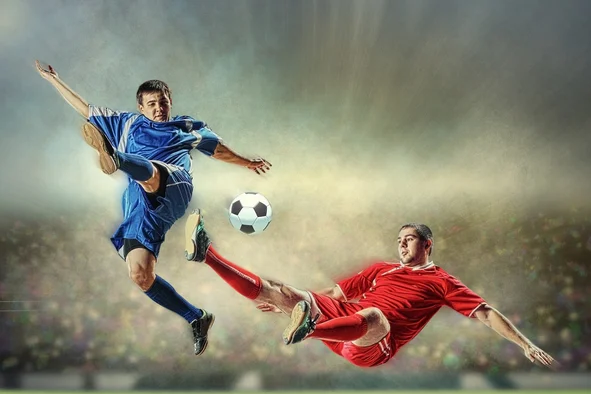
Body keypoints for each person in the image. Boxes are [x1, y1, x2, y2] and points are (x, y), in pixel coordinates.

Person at [35, 61, 271, 356]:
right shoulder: (127, 123)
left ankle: (116, 159)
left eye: (163, 102)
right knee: (140, 274)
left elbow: (218, 149)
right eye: (152, 104)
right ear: (141, 107)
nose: (159, 108)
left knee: (151, 173)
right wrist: (53, 79)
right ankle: (196, 317)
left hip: (173, 183)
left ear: (170, 103)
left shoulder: (187, 126)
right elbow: (85, 109)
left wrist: (248, 162)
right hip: (139, 205)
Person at [184, 210, 556, 368]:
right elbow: (333, 295)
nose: (402, 244)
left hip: (374, 342)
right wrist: (293, 302)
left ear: (428, 245)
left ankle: (308, 329)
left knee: (374, 315)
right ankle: (208, 254)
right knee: (280, 289)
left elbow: (486, 313)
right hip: (342, 320)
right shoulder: (380, 269)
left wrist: (526, 344)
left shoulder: (442, 281)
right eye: (399, 239)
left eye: (409, 239)